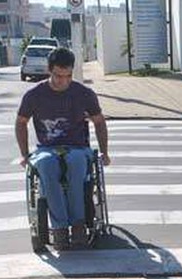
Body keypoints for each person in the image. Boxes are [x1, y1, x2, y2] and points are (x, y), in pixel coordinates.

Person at [15, 47, 111, 250]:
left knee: (76, 165)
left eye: (68, 76)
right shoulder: (34, 95)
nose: (63, 81)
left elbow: (99, 122)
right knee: (47, 166)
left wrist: (104, 151)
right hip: (46, 149)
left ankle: (77, 225)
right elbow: (21, 122)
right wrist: (24, 154)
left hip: (78, 147)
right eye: (58, 76)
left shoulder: (83, 94)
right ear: (49, 70)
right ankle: (59, 228)